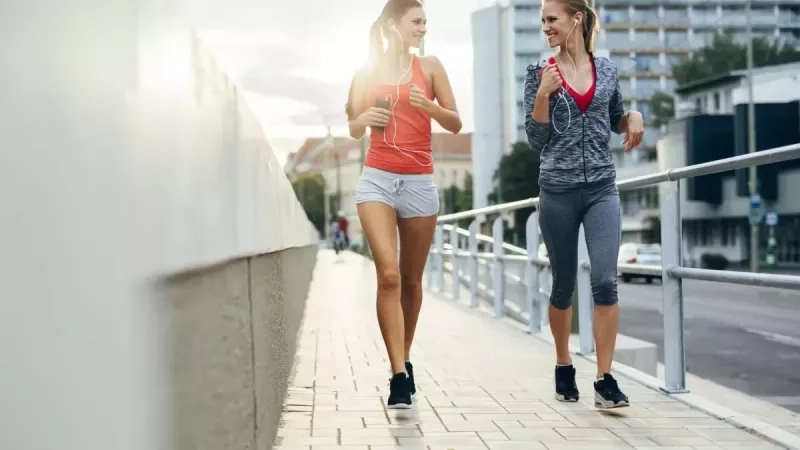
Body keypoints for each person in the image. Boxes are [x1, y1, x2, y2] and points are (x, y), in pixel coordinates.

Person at [524, 0, 644, 409]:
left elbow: (615, 117)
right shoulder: (538, 73)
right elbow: (536, 141)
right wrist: (543, 95)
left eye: (552, 19)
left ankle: (605, 378)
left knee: (606, 281)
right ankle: (563, 364)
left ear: (576, 19)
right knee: (562, 285)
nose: (546, 27)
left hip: (601, 190)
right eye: (542, 21)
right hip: (556, 192)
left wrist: (635, 117)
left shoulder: (606, 70)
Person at [345, 0, 461, 409]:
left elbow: (455, 121)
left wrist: (429, 106)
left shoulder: (430, 66)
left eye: (425, 22)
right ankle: (397, 375)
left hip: (419, 183)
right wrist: (366, 122)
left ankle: (405, 356)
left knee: (411, 281)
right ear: (394, 25)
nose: (422, 28)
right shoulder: (366, 71)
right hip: (376, 178)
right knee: (390, 277)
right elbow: (352, 126)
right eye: (416, 21)